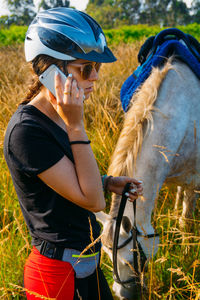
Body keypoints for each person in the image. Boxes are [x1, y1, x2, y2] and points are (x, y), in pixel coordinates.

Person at [3, 7, 143, 300]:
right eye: (85, 68)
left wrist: (106, 180)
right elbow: (93, 202)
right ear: (50, 71)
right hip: (57, 275)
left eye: (97, 68)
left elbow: (66, 182)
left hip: (84, 265)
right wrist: (77, 126)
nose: (95, 78)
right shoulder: (26, 132)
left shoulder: (60, 115)